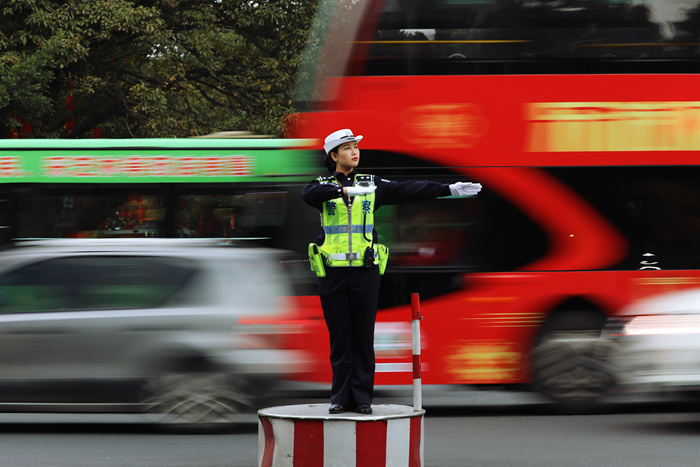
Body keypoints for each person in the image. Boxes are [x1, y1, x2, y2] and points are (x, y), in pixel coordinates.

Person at [301, 129, 481, 415]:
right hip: (332, 273)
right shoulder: (322, 185)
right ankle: (339, 398)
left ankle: (361, 398)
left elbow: (409, 189)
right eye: (347, 148)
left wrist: (448, 189)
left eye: (356, 147)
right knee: (340, 338)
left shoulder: (372, 184)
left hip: (365, 272)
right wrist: (345, 190)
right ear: (333, 156)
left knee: (362, 337)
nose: (355, 152)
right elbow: (308, 194)